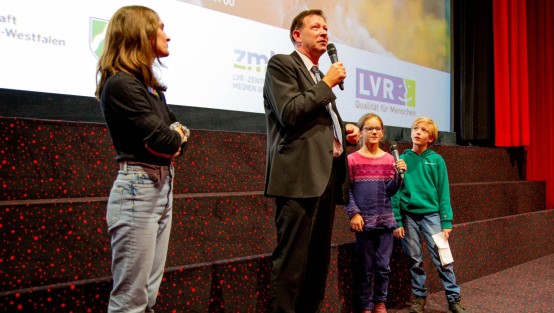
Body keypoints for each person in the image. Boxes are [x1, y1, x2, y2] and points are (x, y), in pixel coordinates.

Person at [263, 9, 360, 313]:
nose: (323, 32)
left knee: (318, 261)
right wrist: (327, 84)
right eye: (315, 27)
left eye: (326, 28)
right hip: (298, 176)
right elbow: (289, 112)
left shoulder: (318, 75)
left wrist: (343, 132)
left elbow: (317, 120)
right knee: (292, 262)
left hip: (326, 175)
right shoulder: (282, 64)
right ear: (297, 35)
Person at [95, 6, 189, 313]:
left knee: (147, 297)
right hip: (138, 188)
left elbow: (177, 136)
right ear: (141, 33)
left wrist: (174, 137)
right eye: (161, 28)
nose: (168, 35)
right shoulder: (121, 84)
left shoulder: (150, 88)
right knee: (130, 301)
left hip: (160, 186)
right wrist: (174, 137)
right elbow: (166, 138)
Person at [392, 117, 466, 313]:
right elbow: (396, 192)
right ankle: (419, 297)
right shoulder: (403, 159)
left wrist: (446, 221)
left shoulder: (436, 160)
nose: (418, 132)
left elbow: (443, 192)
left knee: (443, 257)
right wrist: (397, 219)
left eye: (423, 130)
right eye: (415, 128)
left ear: (431, 137)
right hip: (408, 216)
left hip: (432, 216)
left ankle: (453, 298)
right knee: (414, 258)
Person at [345, 113, 406, 313]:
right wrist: (354, 213)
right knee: (365, 268)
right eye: (369, 128)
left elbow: (390, 190)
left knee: (383, 267)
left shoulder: (389, 159)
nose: (373, 132)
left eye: (377, 128)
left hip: (386, 221)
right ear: (360, 132)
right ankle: (365, 304)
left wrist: (399, 177)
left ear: (382, 133)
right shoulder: (352, 159)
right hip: (364, 222)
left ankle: (380, 302)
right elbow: (347, 191)